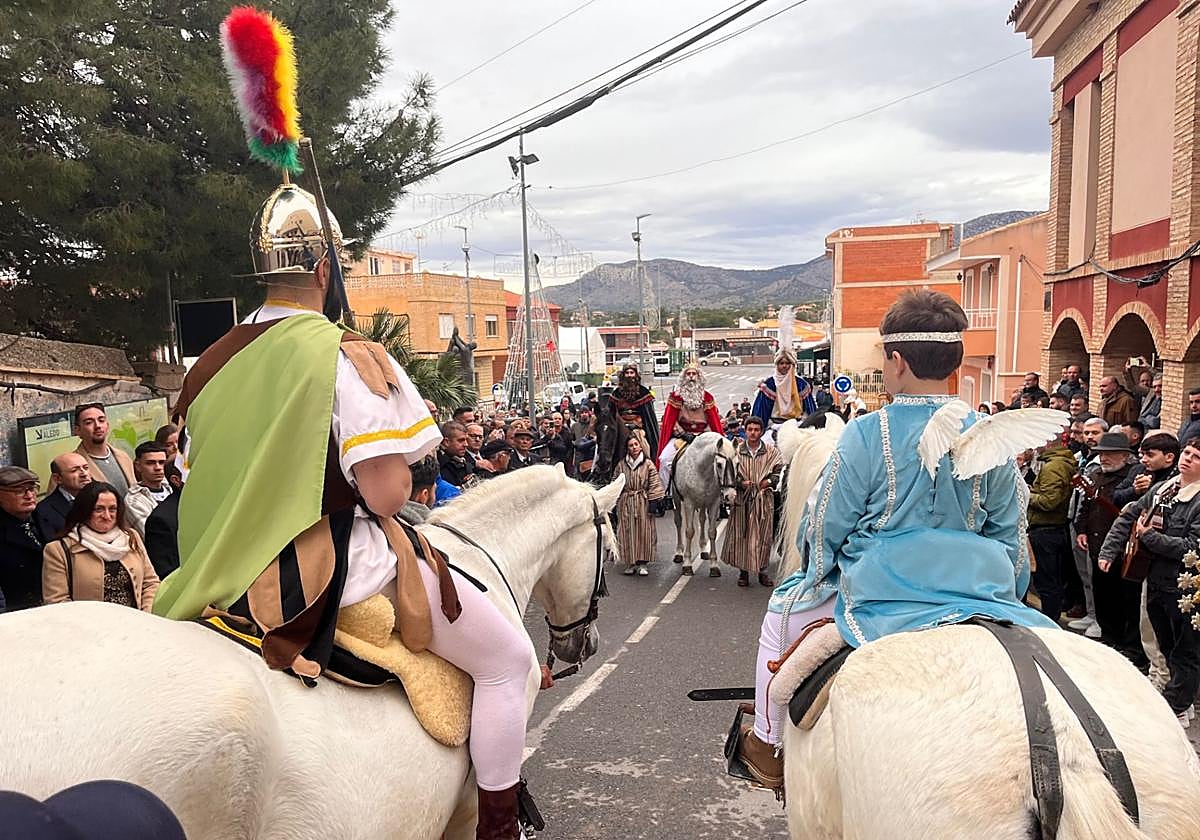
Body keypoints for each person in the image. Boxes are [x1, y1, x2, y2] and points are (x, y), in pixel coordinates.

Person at [152, 179, 534, 836]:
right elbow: (387, 496)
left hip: (214, 568)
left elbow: (186, 474)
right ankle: (500, 830)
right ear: (326, 270)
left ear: (261, 269)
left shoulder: (207, 364)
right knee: (508, 662)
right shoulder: (345, 354)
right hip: (325, 568)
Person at [734, 290, 1059, 790]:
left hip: (883, 594)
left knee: (781, 617)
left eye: (885, 359)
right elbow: (1011, 533)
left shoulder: (867, 433)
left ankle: (767, 746)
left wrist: (816, 572)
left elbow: (824, 525)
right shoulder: (990, 432)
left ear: (898, 361)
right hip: (979, 591)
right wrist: (1007, 593)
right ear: (954, 362)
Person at [1098, 438, 1200, 728]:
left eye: (1196, 457)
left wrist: (1149, 537)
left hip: (1187, 589)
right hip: (1155, 581)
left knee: (1186, 651)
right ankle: (1183, 702)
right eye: (1187, 453)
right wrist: (1109, 551)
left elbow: (1192, 546)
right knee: (1166, 646)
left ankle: (1175, 707)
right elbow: (1129, 515)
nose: (1187, 459)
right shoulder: (1164, 488)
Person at [1074, 432, 1145, 667]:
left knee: (1124, 599)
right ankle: (1108, 638)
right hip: (1096, 544)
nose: (1103, 458)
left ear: (1124, 455)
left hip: (1121, 550)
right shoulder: (1095, 476)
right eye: (1101, 454)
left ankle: (1127, 646)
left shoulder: (1131, 478)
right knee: (1102, 595)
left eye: (1109, 454)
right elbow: (1086, 506)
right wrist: (1081, 529)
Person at [42, 481, 159, 612]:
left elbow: (150, 582)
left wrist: (146, 613)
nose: (107, 516)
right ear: (84, 511)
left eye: (112, 509)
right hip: (88, 623)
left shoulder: (131, 537)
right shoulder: (58, 550)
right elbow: (58, 601)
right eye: (99, 509)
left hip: (137, 621)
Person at [720, 415, 782, 588]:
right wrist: (741, 483)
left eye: (756, 430)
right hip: (743, 500)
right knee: (742, 535)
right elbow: (729, 473)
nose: (753, 433)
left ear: (761, 432)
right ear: (745, 431)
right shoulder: (736, 450)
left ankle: (763, 572)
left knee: (764, 536)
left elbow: (779, 471)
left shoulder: (771, 451)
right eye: (750, 429)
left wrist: (768, 482)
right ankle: (743, 572)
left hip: (764, 500)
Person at [1028, 432, 1080, 622]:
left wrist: (1026, 494)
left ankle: (1049, 621)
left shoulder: (1054, 467)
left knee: (1047, 580)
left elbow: (1049, 501)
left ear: (1048, 442)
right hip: (1051, 529)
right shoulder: (1058, 463)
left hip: (1046, 530)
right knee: (1051, 579)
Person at [657, 364, 724, 502]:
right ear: (684, 377)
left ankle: (721, 496)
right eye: (688, 374)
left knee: (721, 461)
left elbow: (713, 421)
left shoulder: (708, 398)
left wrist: (703, 435)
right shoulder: (675, 397)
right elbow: (671, 421)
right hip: (682, 437)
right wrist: (682, 433)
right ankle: (664, 495)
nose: (691, 377)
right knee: (664, 459)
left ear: (699, 377)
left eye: (694, 374)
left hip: (703, 437)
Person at [614, 431, 665, 576]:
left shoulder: (648, 464)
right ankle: (630, 562)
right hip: (626, 501)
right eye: (631, 445)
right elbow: (616, 482)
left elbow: (654, 482)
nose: (634, 447)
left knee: (644, 531)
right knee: (627, 531)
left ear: (641, 446)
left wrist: (653, 501)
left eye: (636, 444)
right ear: (627, 448)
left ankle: (643, 563)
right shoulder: (621, 465)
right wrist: (614, 500)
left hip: (643, 500)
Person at [0, 466, 46, 611]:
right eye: (20, 491)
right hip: (17, 611)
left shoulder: (45, 517)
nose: (29, 495)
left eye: (32, 489)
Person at [71, 403, 135, 495]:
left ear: (107, 426)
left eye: (101, 420)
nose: (97, 426)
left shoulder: (124, 457)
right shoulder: (71, 466)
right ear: (77, 430)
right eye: (89, 422)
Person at [751, 348, 816, 432]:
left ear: (792, 365)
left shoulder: (801, 384)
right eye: (781, 363)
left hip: (797, 427)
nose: (784, 366)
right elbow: (760, 411)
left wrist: (804, 424)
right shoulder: (769, 384)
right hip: (774, 427)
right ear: (777, 365)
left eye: (787, 363)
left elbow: (810, 410)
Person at [34, 452, 92, 542]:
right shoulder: (44, 511)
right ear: (57, 478)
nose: (84, 474)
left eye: (86, 468)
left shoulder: (103, 497)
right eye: (74, 470)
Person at [608, 364, 659, 459]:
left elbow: (649, 418)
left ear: (636, 375)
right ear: (623, 375)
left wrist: (636, 424)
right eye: (627, 373)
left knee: (644, 446)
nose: (629, 375)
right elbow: (610, 415)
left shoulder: (644, 392)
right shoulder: (616, 393)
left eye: (632, 373)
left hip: (639, 429)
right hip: (620, 429)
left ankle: (648, 462)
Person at [124, 442, 173, 537]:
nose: (158, 468)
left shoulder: (171, 489)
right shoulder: (134, 500)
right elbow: (152, 534)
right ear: (138, 466)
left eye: (162, 462)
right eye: (150, 463)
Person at [437, 421, 476, 488]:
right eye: (461, 440)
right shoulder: (438, 467)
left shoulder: (466, 461)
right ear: (446, 442)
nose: (466, 444)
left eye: (466, 440)